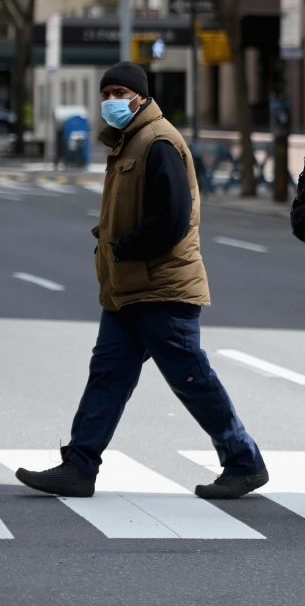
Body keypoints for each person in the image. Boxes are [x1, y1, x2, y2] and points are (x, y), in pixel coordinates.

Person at [15, 61, 268, 500]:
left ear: (141, 96)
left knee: (191, 377)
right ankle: (79, 465)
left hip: (161, 288)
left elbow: (172, 218)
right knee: (108, 375)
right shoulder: (130, 141)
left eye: (119, 92)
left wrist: (124, 246)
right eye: (106, 92)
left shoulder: (159, 141)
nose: (111, 100)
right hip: (128, 289)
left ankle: (243, 461)